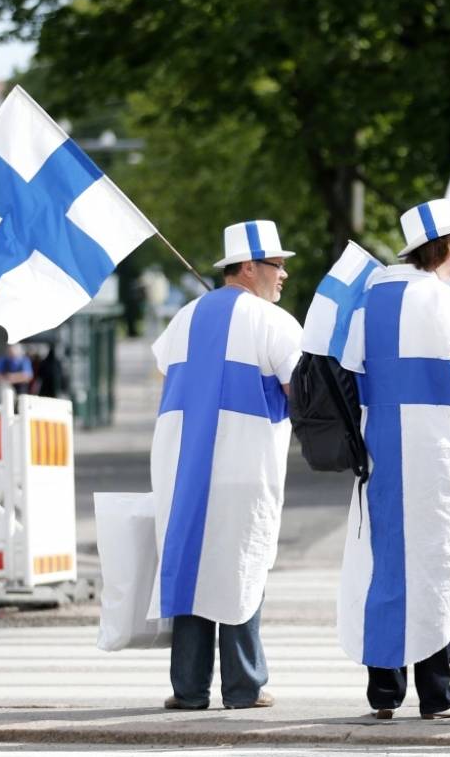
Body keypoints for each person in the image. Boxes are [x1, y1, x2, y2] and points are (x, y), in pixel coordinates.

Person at [338, 198, 450, 720]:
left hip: (378, 441)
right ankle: (438, 694)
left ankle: (383, 692)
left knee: (383, 561)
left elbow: (348, 370)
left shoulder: (366, 297)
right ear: (443, 248)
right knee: (436, 562)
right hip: (435, 448)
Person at [147, 219, 302, 711]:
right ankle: (245, 686)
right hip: (243, 462)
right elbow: (299, 393)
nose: (283, 276)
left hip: (180, 462)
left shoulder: (184, 317)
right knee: (242, 567)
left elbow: (164, 374)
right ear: (250, 267)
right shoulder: (275, 322)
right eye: (277, 266)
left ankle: (188, 689)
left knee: (191, 567)